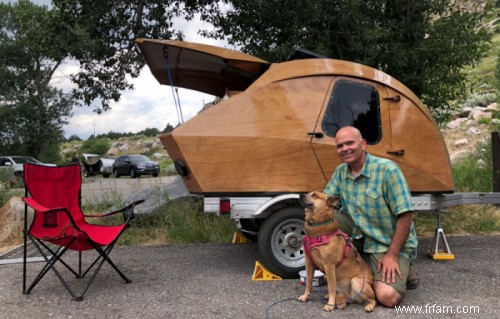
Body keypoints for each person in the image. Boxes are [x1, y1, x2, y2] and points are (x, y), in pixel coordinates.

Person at [323, 126, 419, 307]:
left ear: (363, 144)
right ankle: (342, 272)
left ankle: (405, 270)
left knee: (387, 297)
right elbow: (325, 204)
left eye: (349, 143)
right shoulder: (341, 172)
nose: (344, 149)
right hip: (359, 233)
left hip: (386, 241)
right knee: (324, 222)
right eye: (340, 146)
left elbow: (406, 215)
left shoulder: (388, 170)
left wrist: (392, 255)